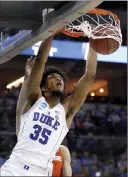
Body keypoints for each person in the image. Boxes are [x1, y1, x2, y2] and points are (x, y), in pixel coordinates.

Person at [0, 34, 97, 176]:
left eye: (60, 79)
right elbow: (40, 61)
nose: (58, 79)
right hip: (14, 167)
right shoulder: (34, 100)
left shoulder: (66, 111)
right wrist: (51, 29)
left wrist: (94, 42)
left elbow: (90, 76)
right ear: (43, 88)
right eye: (52, 77)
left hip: (40, 172)